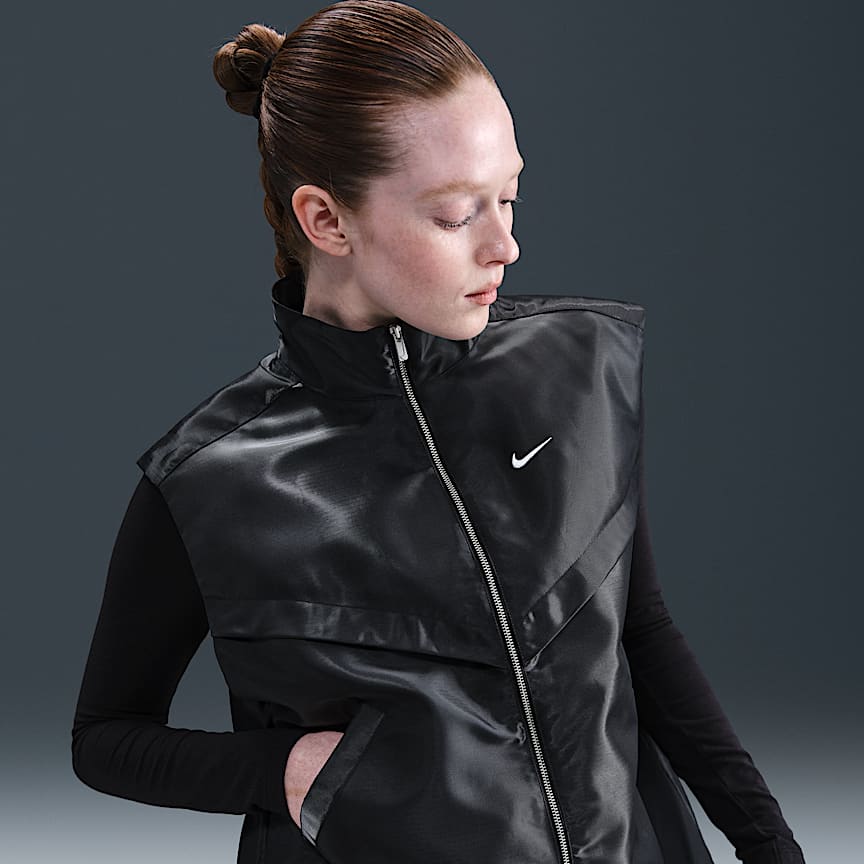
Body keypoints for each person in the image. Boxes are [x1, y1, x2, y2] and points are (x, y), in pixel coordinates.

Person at [71, 2, 807, 863]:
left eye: (510, 196)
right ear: (326, 220)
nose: (506, 245)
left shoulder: (576, 374)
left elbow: (638, 634)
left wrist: (771, 848)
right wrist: (284, 771)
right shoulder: (213, 477)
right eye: (458, 215)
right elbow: (104, 737)